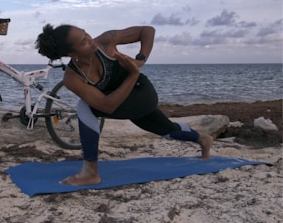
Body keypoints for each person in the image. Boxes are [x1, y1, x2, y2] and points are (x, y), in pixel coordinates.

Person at [35, 23, 213, 186]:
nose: (91, 40)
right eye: (83, 42)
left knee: (84, 106)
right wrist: (132, 74)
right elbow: (107, 106)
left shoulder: (105, 41)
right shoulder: (73, 78)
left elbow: (147, 31)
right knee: (166, 129)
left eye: (86, 34)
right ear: (72, 54)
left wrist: (140, 61)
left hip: (141, 93)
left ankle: (90, 172)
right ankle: (202, 139)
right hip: (120, 102)